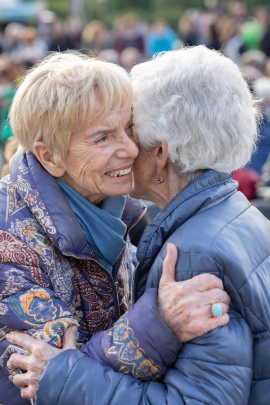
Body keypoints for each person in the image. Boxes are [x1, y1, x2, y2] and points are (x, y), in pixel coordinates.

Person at [7, 46, 270, 405]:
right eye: (103, 136)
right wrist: (157, 323)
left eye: (129, 126)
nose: (131, 148)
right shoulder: (9, 237)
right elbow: (39, 378)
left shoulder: (125, 213)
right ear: (49, 156)